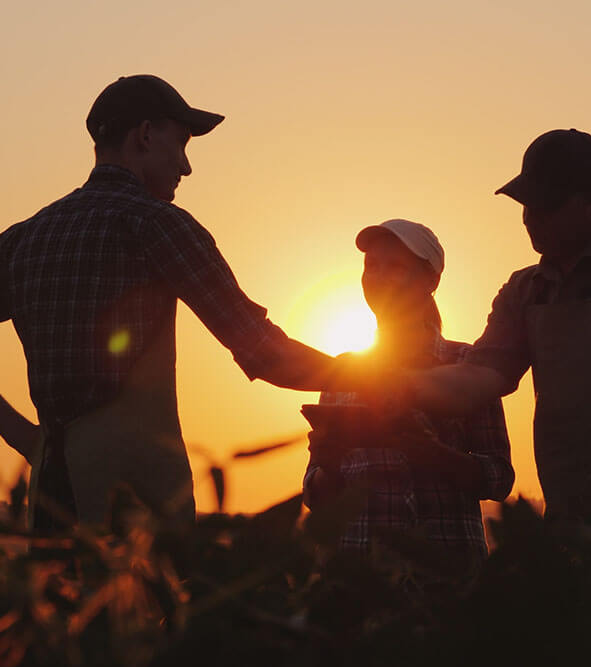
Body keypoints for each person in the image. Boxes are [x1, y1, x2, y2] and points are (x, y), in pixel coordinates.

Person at [0, 74, 365, 530]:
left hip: (51, 502)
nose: (187, 166)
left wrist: (29, 441)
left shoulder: (26, 238)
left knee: (63, 603)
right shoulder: (156, 225)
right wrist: (371, 379)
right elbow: (262, 352)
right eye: (182, 143)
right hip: (139, 512)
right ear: (146, 134)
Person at [401, 129, 591, 526]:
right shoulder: (524, 292)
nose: (531, 217)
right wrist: (396, 384)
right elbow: (480, 377)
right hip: (570, 525)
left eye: (547, 205)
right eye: (526, 203)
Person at [302, 219, 514, 566]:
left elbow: (499, 478)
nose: (379, 277)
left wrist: (432, 453)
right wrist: (329, 462)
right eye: (372, 266)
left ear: (431, 280)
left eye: (395, 266)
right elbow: (316, 493)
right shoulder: (341, 372)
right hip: (359, 576)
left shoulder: (468, 365)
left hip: (448, 575)